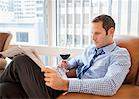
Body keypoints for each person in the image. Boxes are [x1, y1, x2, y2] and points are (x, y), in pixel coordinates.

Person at [0, 14, 131, 98]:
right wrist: (68, 64)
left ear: (111, 31)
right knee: (4, 89)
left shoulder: (120, 55)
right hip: (58, 84)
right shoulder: (90, 50)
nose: (92, 38)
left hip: (69, 87)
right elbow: (77, 60)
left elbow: (110, 85)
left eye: (97, 33)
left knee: (21, 61)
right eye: (91, 33)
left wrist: (66, 84)